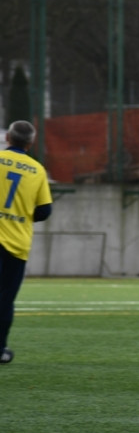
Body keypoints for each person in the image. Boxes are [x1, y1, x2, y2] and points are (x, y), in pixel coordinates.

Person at [0, 121, 53, 364]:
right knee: (4, 300)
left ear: (8, 138)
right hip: (16, 244)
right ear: (30, 144)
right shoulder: (37, 170)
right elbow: (44, 211)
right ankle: (0, 349)